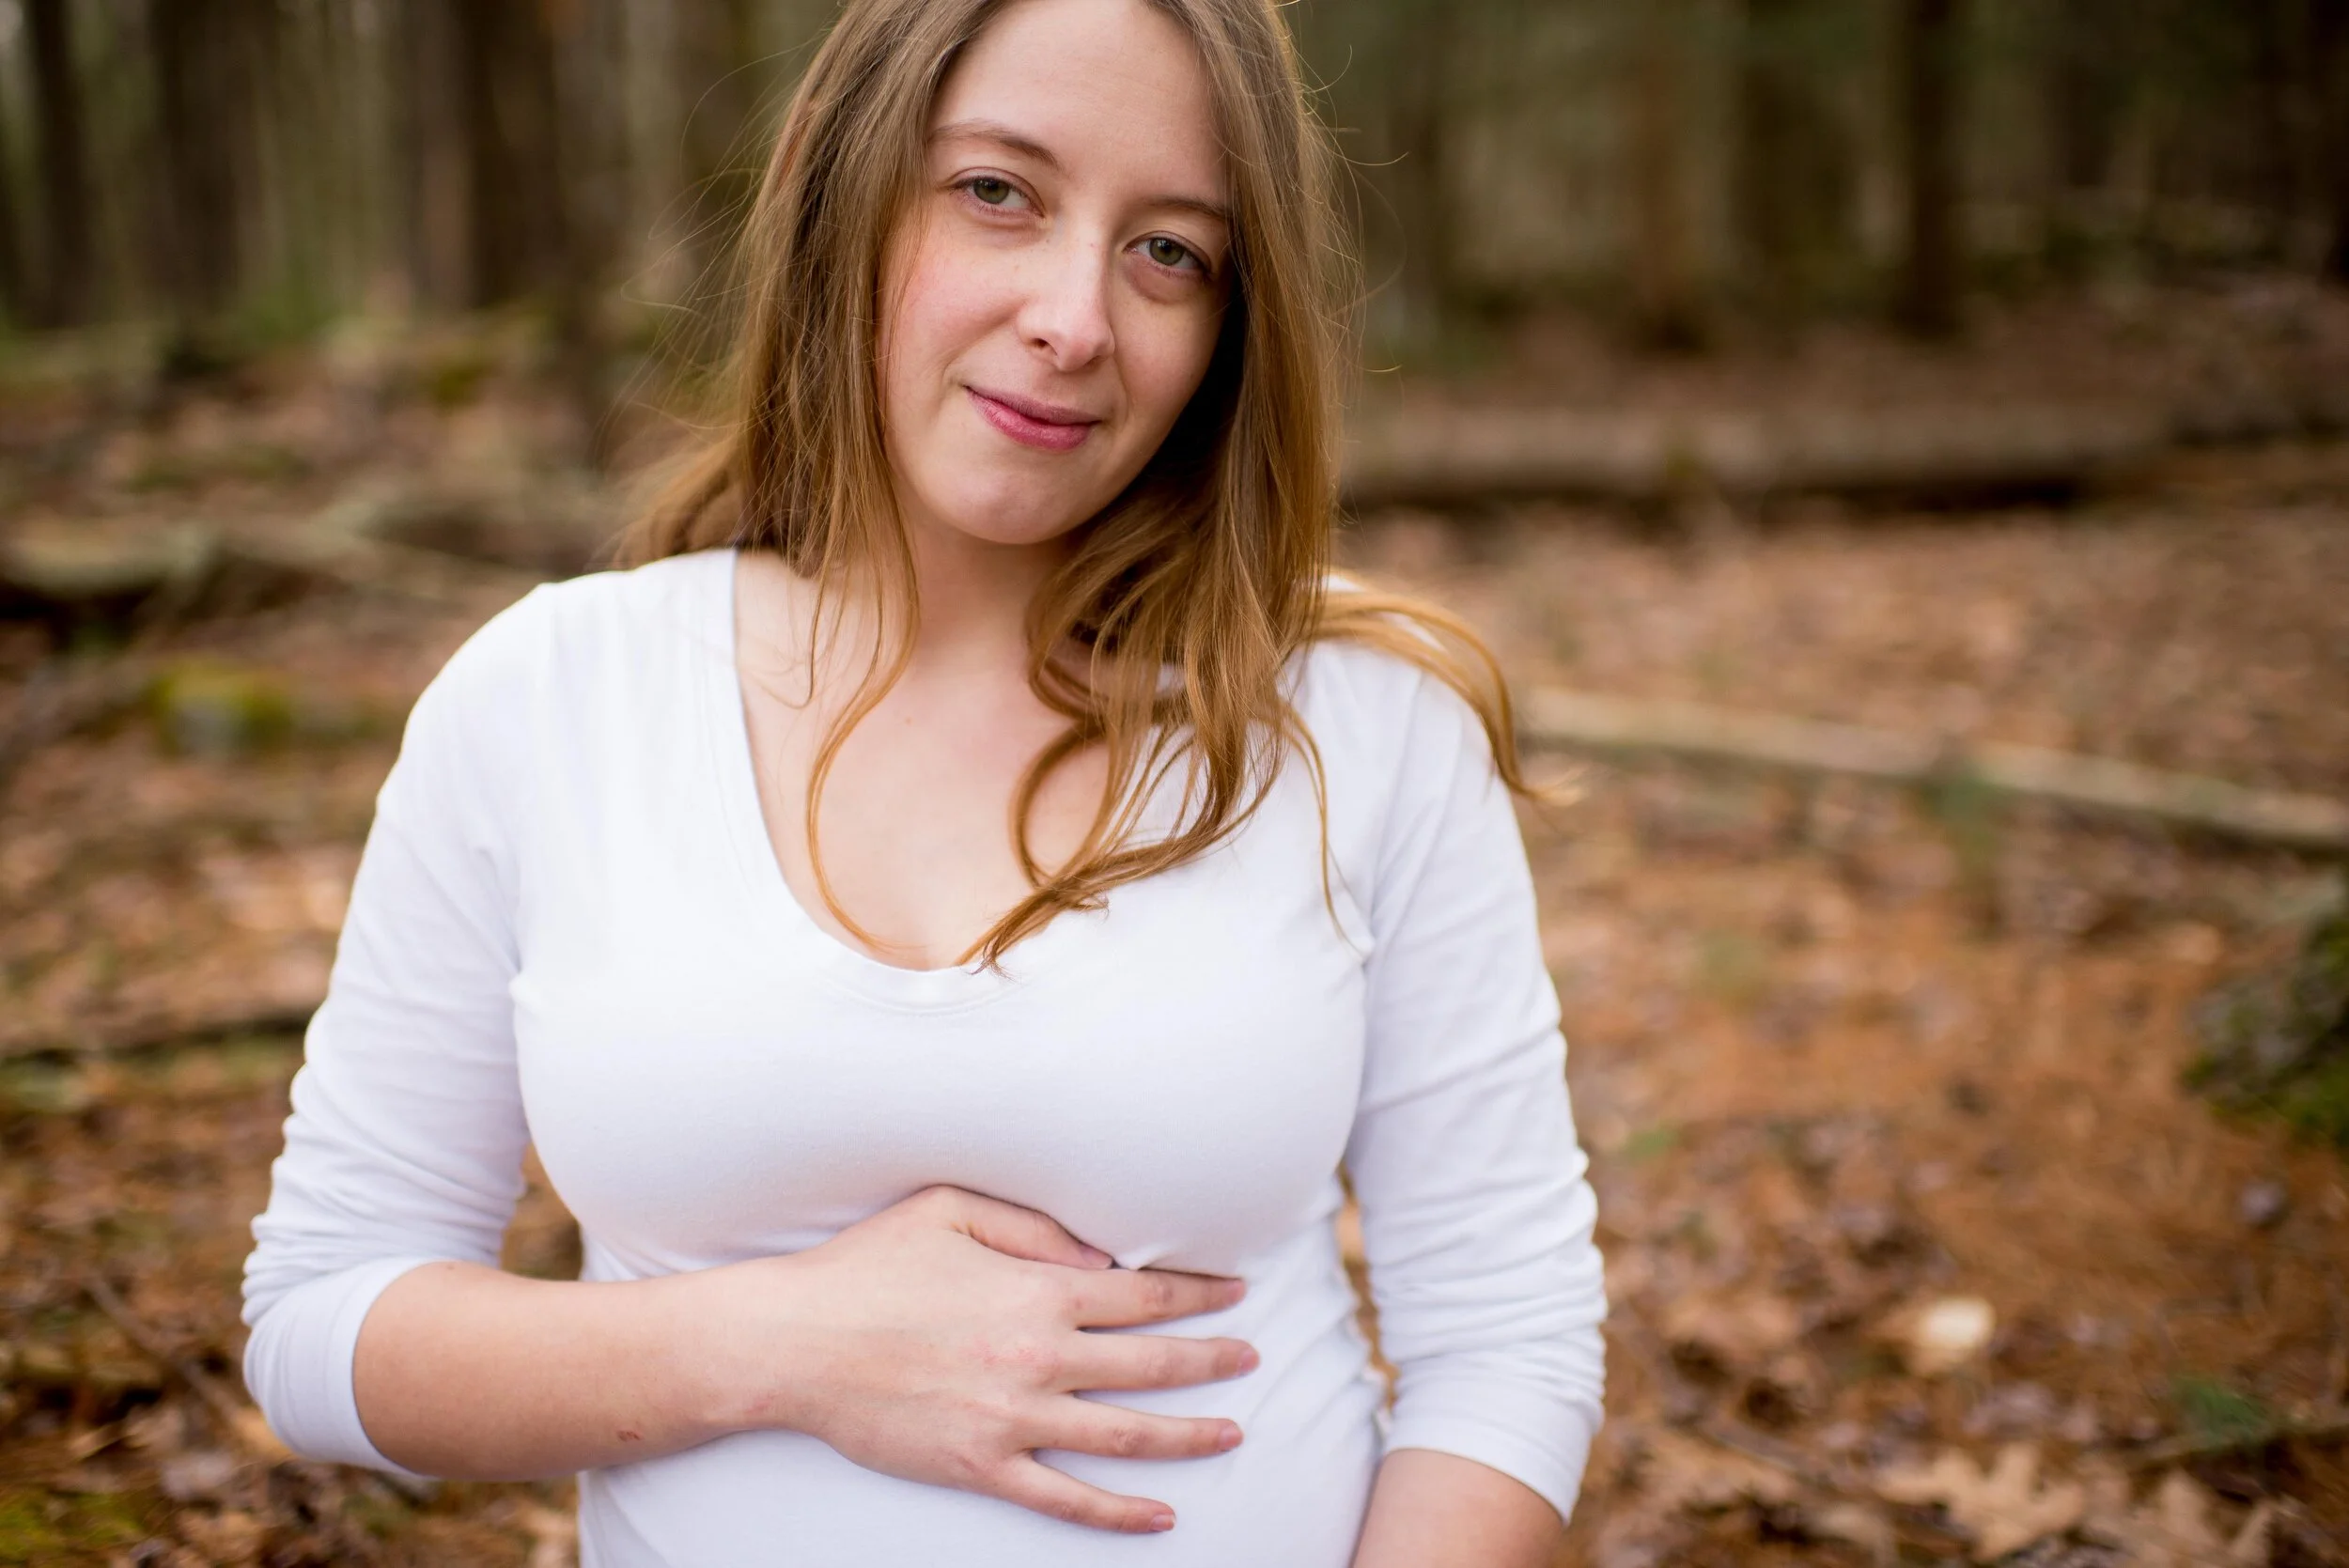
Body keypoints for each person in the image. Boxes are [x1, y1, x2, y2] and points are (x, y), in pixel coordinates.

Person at [239, 0, 1606, 1562]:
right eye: (999, 192)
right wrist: (789, 1347)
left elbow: (1505, 1344)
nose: (1075, 320)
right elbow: (321, 1325)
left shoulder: (1356, 725)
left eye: (1169, 251)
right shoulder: (552, 697)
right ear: (843, 186)